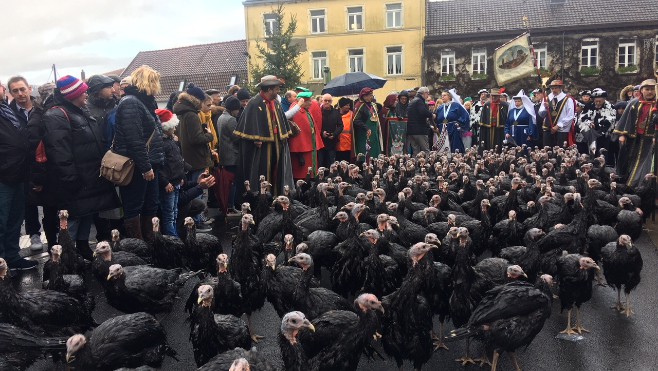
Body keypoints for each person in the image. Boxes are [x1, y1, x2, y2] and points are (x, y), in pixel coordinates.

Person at [42, 75, 118, 259]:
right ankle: (66, 257)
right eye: (83, 91)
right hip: (76, 179)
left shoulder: (80, 110)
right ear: (73, 94)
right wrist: (70, 179)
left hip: (89, 176)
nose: (86, 93)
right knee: (74, 219)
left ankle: (82, 248)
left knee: (86, 214)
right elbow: (60, 152)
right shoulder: (57, 115)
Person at [113, 65, 165, 241]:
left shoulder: (143, 102)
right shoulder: (131, 102)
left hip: (148, 164)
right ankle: (137, 246)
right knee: (135, 206)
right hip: (137, 167)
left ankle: (150, 243)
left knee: (151, 205)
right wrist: (146, 167)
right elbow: (134, 140)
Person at [233, 75, 294, 195]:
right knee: (262, 174)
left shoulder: (275, 102)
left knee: (277, 172)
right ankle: (263, 198)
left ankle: (277, 195)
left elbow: (281, 122)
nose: (278, 91)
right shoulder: (254, 103)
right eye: (276, 88)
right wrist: (255, 138)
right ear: (269, 89)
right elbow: (247, 128)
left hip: (276, 145)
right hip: (262, 149)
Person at [0, 78, 38, 270]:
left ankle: (12, 257)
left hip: (18, 174)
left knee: (15, 220)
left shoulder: (6, 111)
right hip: (3, 177)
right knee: (1, 222)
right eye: (16, 90)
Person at [7, 76, 44, 252]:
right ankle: (34, 233)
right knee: (28, 201)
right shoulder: (8, 113)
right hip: (21, 163)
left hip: (44, 160)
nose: (20, 94)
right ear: (10, 92)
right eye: (15, 91)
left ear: (29, 88)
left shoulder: (42, 108)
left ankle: (54, 232)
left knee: (49, 198)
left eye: (22, 89)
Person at [85, 74, 119, 242]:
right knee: (99, 202)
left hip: (115, 161)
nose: (113, 89)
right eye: (109, 87)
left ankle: (117, 234)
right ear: (98, 90)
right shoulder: (87, 109)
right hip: (96, 161)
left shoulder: (115, 105)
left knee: (116, 200)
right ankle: (103, 236)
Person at [612, 79, 657, 187]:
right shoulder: (634, 103)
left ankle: (642, 185)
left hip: (651, 140)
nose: (650, 92)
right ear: (642, 90)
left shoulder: (657, 104)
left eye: (652, 89)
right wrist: (622, 134)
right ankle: (628, 184)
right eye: (647, 89)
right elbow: (625, 119)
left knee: (646, 163)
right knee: (630, 161)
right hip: (634, 139)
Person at [155, 109, 184, 237]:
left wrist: (181, 177)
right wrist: (165, 182)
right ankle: (173, 239)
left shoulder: (171, 141)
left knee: (174, 212)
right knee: (169, 215)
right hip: (169, 184)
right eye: (172, 127)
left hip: (176, 181)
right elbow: (159, 167)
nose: (174, 129)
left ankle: (174, 236)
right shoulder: (162, 144)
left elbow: (178, 161)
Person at [289, 91, 324, 179]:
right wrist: (299, 153)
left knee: (309, 171)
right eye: (309, 101)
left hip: (309, 147)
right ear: (303, 101)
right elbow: (297, 135)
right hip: (302, 150)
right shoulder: (297, 111)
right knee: (302, 173)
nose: (311, 103)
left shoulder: (305, 111)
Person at [216, 96, 242, 214]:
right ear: (233, 109)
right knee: (232, 183)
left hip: (224, 155)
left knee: (227, 182)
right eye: (237, 109)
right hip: (232, 156)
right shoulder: (231, 119)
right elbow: (236, 138)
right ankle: (231, 206)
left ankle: (228, 205)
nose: (238, 112)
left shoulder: (221, 117)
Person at [539, 80, 575, 148]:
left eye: (556, 88)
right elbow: (541, 114)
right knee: (547, 150)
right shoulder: (546, 98)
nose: (554, 90)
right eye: (552, 88)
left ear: (560, 88)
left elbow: (570, 116)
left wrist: (558, 126)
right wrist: (545, 108)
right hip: (548, 128)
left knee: (560, 150)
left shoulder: (567, 99)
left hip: (561, 129)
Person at [352, 88, 383, 159]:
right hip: (364, 133)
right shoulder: (360, 105)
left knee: (375, 151)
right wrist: (366, 128)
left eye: (372, 95)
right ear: (364, 96)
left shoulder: (373, 105)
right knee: (366, 152)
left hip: (374, 132)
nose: (371, 97)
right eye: (369, 95)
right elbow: (356, 120)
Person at [590, 88, 616, 164]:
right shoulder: (590, 106)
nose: (597, 103)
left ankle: (602, 167)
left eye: (600, 101)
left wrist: (599, 129)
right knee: (592, 151)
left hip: (604, 134)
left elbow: (610, 121)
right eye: (596, 101)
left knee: (602, 151)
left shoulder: (610, 107)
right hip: (591, 133)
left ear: (604, 99)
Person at [405, 87, 433, 155]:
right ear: (424, 93)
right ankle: (426, 165)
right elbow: (423, 112)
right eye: (427, 94)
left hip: (411, 131)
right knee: (426, 150)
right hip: (420, 130)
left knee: (415, 152)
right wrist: (431, 114)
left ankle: (415, 165)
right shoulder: (419, 101)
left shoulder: (413, 101)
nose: (427, 96)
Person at [319, 93, 343, 168]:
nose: (327, 102)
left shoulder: (336, 112)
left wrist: (335, 134)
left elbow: (340, 125)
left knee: (331, 163)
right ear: (322, 101)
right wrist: (322, 132)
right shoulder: (318, 111)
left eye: (329, 101)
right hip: (321, 141)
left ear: (331, 101)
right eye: (325, 100)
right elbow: (315, 125)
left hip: (332, 141)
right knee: (320, 162)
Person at [335, 97, 354, 162]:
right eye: (346, 105)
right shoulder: (335, 114)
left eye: (349, 105)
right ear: (341, 106)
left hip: (348, 143)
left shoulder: (352, 115)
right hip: (337, 143)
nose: (348, 107)